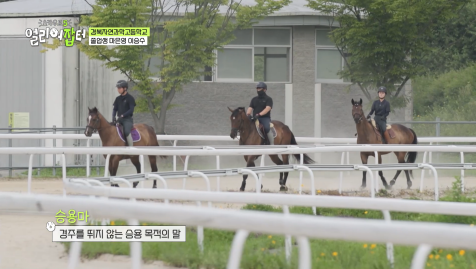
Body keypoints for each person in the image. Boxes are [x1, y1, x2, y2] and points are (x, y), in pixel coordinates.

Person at [112, 80, 136, 146]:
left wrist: (123, 115)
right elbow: (114, 109)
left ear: (125, 88)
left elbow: (131, 110)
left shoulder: (130, 98)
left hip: (127, 120)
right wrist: (113, 117)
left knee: (126, 131)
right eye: (117, 88)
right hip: (119, 119)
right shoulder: (117, 99)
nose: (118, 90)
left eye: (119, 88)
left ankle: (131, 148)